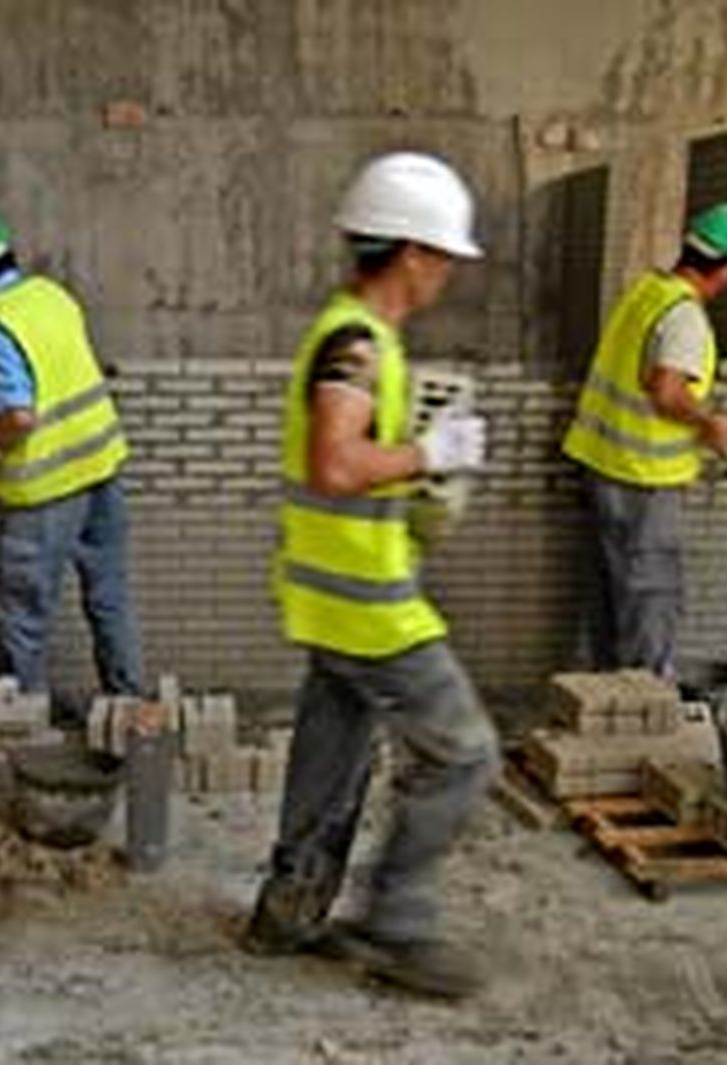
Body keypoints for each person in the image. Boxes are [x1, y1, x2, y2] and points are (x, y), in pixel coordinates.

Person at [245, 153, 501, 999]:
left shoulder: (359, 336)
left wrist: (420, 477)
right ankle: (396, 925)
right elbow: (335, 462)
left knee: (332, 761)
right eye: (443, 257)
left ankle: (288, 912)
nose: (446, 274)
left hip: (331, 601)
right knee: (464, 752)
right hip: (369, 609)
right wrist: (429, 452)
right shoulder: (354, 345)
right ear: (413, 252)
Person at [0, 206, 142, 698]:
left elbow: (19, 415)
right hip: (101, 469)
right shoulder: (52, 295)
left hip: (45, 491)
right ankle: (129, 709)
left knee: (22, 617)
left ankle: (23, 724)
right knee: (110, 598)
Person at [562, 202, 727, 677]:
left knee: (611, 590)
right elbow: (667, 390)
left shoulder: (646, 292)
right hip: (644, 481)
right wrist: (709, 424)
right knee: (651, 593)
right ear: (726, 270)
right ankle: (645, 697)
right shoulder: (685, 316)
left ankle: (605, 693)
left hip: (601, 464)